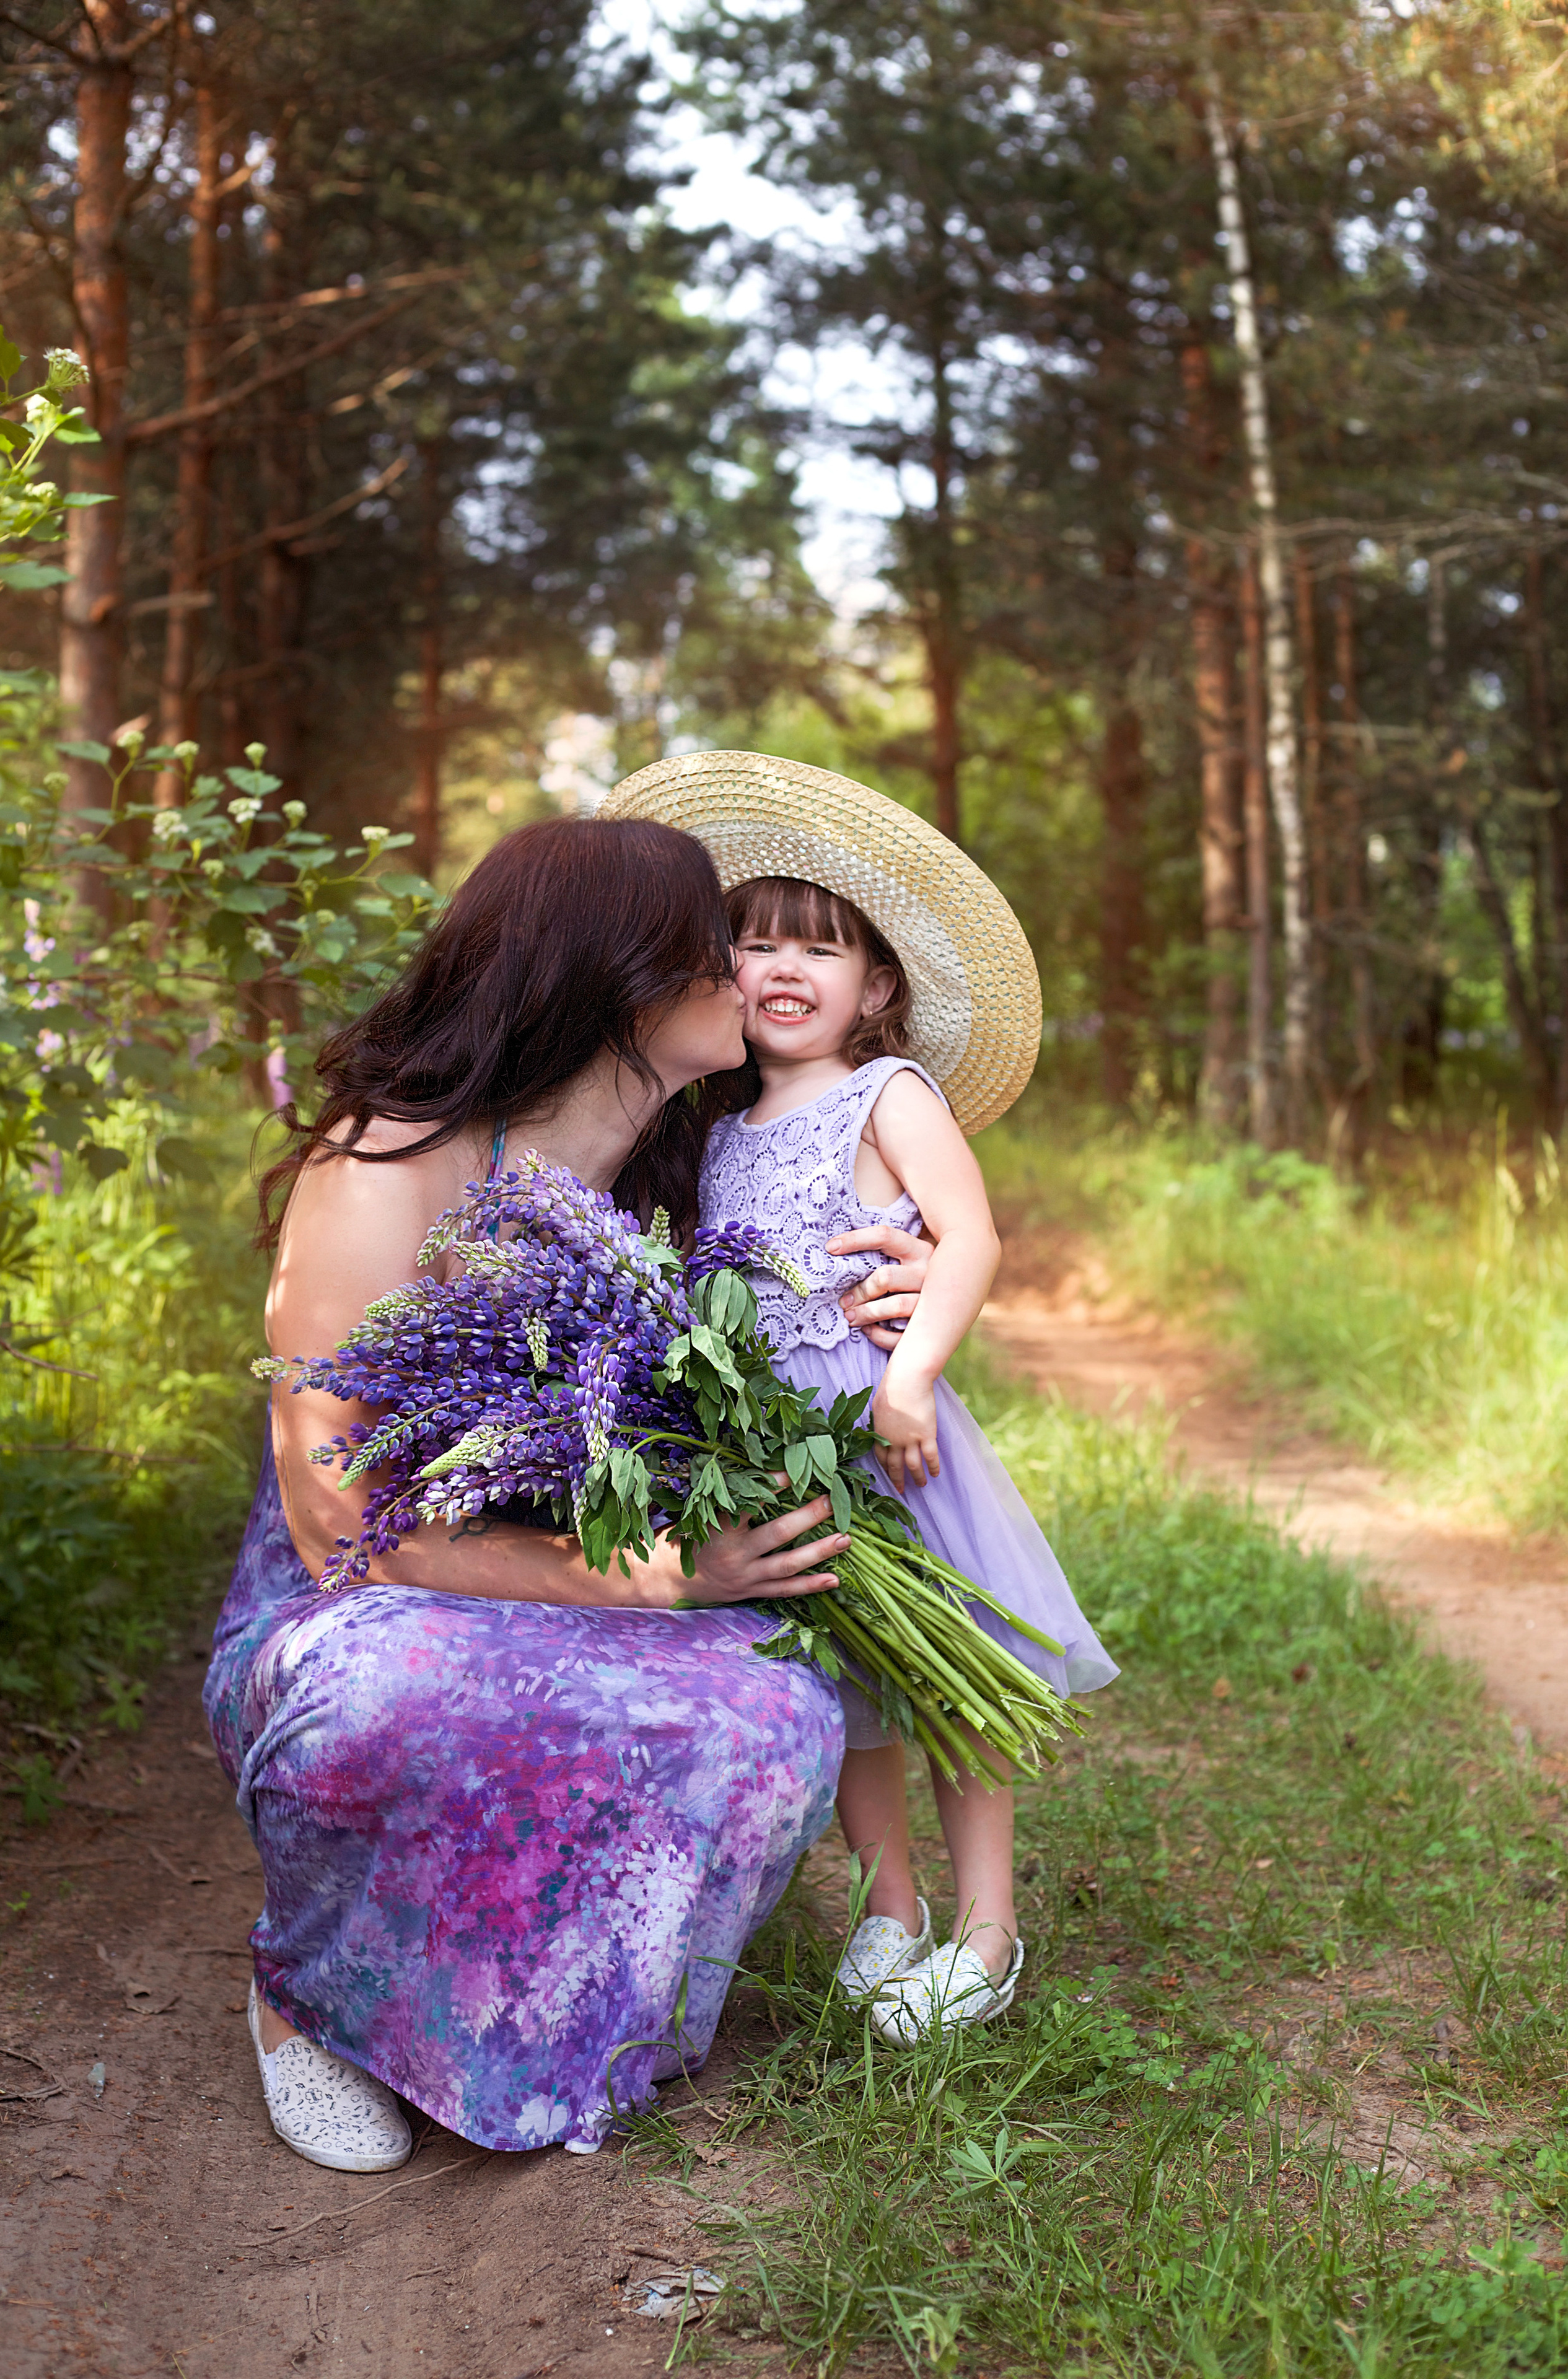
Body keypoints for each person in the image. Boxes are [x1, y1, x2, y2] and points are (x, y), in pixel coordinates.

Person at [204, 815, 853, 2173]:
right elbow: (339, 1527)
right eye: (715, 947)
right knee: (389, 1701)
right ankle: (311, 2003)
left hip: (587, 1564)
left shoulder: (696, 1161)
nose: (745, 972)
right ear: (622, 981)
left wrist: (909, 1282)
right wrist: (657, 1579)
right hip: (369, 1589)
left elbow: (852, 1246)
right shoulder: (390, 1166)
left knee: (777, 1711)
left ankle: (564, 2017)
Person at [600, 752, 1118, 2044]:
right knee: (844, 1684)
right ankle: (888, 1908)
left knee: (949, 1677)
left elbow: (970, 1237)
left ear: (875, 987)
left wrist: (913, 1377)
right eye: (755, 943)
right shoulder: (715, 1130)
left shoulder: (886, 1096)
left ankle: (987, 1930)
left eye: (818, 949)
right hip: (776, 1448)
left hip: (879, 1432)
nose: (783, 967)